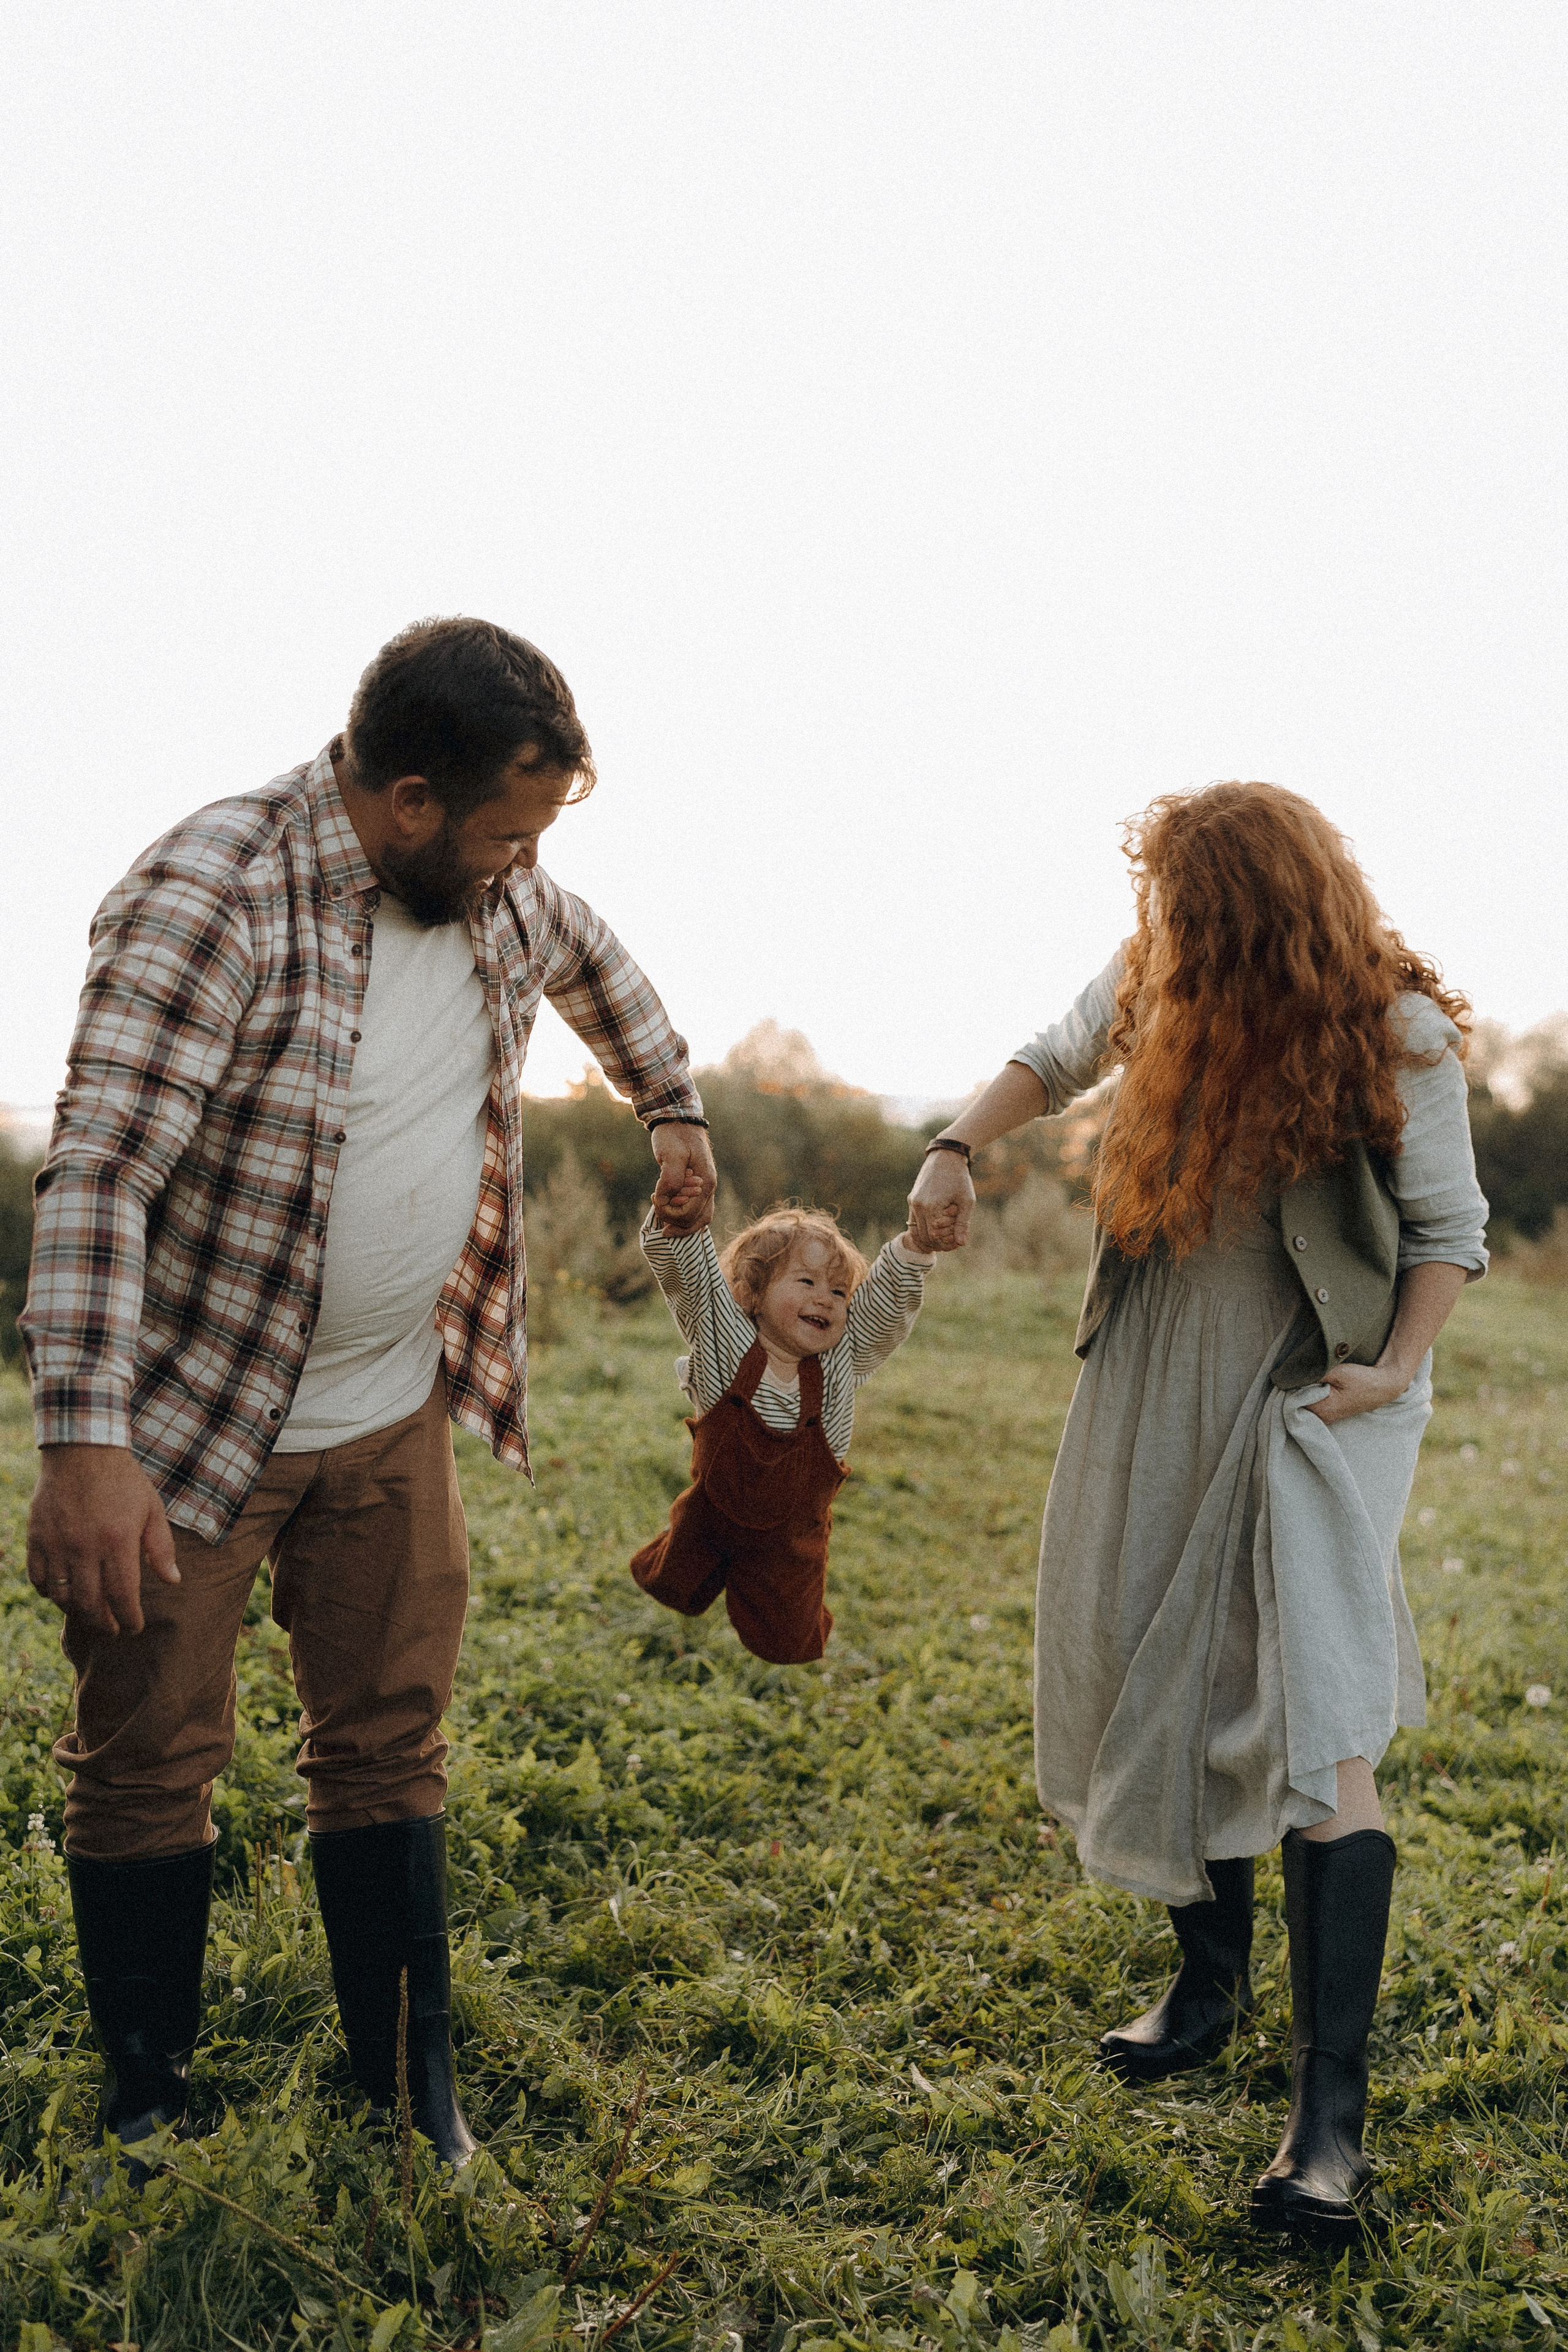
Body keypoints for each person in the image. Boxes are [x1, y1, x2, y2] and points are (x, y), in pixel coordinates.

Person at [20, 617, 717, 2174]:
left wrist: (668, 1101)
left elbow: (593, 955)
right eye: (501, 834)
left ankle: (408, 2082)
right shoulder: (214, 892)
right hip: (191, 1419)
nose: (519, 868)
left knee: (391, 1739)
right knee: (148, 1749)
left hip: (390, 1408)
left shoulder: (491, 889)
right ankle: (149, 2100)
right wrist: (84, 1445)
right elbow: (101, 1167)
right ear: (408, 800)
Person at [907, 782, 1487, 2244]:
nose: (1159, 932)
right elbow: (1046, 1055)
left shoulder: (1394, 1028)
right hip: (1158, 1364)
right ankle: (1205, 1983)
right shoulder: (1161, 979)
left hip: (1315, 1391)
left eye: (1183, 906)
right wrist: (953, 1145)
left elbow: (1446, 1234)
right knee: (1140, 1651)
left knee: (1312, 1708)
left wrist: (1389, 1371)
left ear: (1253, 910)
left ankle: (1325, 2122)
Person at [630, 1200, 946, 1660]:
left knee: (789, 1637)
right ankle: (680, 1583)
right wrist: (681, 1215)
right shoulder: (727, 1340)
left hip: (792, 1539)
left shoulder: (840, 1360)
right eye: (807, 1281)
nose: (826, 1299)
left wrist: (915, 1246)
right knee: (675, 1580)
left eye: (840, 1292)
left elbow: (884, 1306)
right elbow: (694, 1279)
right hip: (714, 1512)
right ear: (751, 1295)